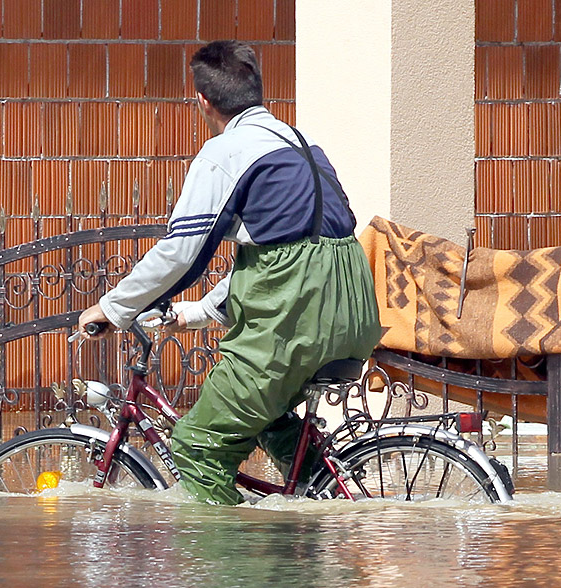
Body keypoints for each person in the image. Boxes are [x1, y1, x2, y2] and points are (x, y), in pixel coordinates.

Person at [78, 40, 381, 505]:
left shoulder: (225, 153)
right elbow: (293, 253)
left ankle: (236, 571)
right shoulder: (304, 147)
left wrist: (112, 307)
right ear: (258, 91)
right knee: (268, 416)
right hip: (351, 310)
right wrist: (194, 313)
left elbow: (182, 252)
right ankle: (322, 509)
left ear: (202, 100)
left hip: (295, 319)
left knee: (197, 446)